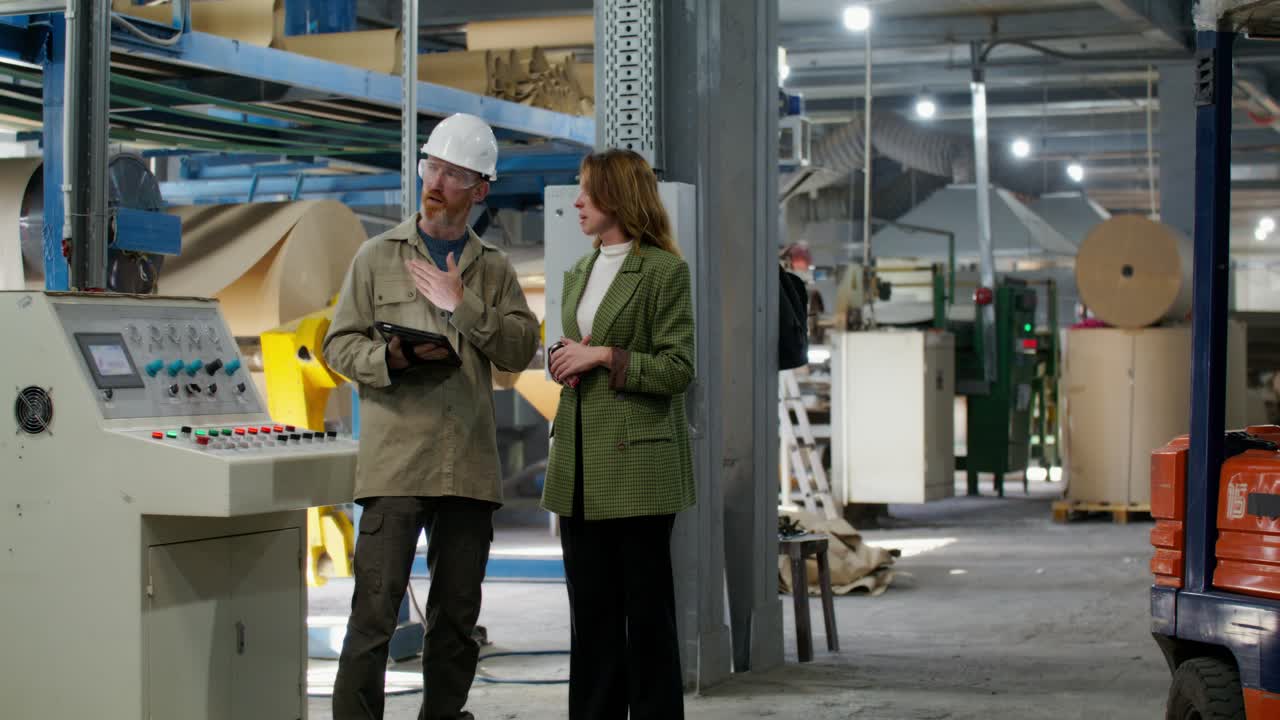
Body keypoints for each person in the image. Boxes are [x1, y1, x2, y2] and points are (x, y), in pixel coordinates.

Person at [323, 112, 539, 720]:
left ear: (480, 188)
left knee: (457, 619)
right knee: (372, 615)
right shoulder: (376, 257)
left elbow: (521, 349)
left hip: (467, 468)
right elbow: (338, 345)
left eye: (452, 173)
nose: (436, 182)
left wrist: (462, 305)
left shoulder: (492, 269)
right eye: (432, 168)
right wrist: (386, 358)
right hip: (396, 467)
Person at [541, 148, 696, 720]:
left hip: (639, 471)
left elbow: (679, 370)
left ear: (618, 197)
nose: (577, 202)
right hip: (580, 468)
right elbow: (578, 347)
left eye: (587, 191)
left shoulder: (662, 271)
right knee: (591, 618)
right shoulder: (580, 271)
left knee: (648, 618)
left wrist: (605, 355)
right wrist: (564, 356)